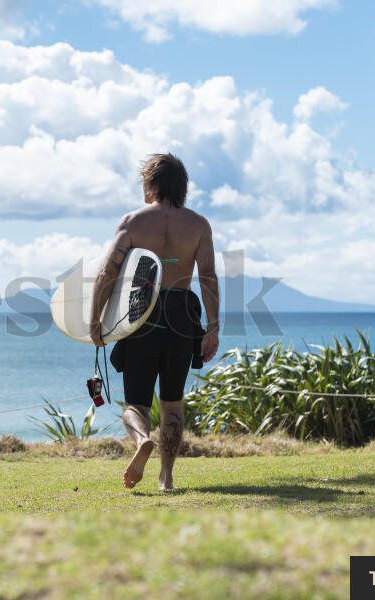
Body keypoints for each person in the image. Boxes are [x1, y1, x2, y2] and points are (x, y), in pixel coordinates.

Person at [89, 153, 219, 490]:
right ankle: (166, 476)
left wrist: (95, 320)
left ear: (154, 184)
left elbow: (108, 272)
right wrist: (214, 329)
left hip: (141, 315)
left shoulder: (133, 222)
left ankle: (142, 439)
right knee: (172, 402)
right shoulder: (198, 225)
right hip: (181, 318)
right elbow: (208, 277)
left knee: (135, 403)